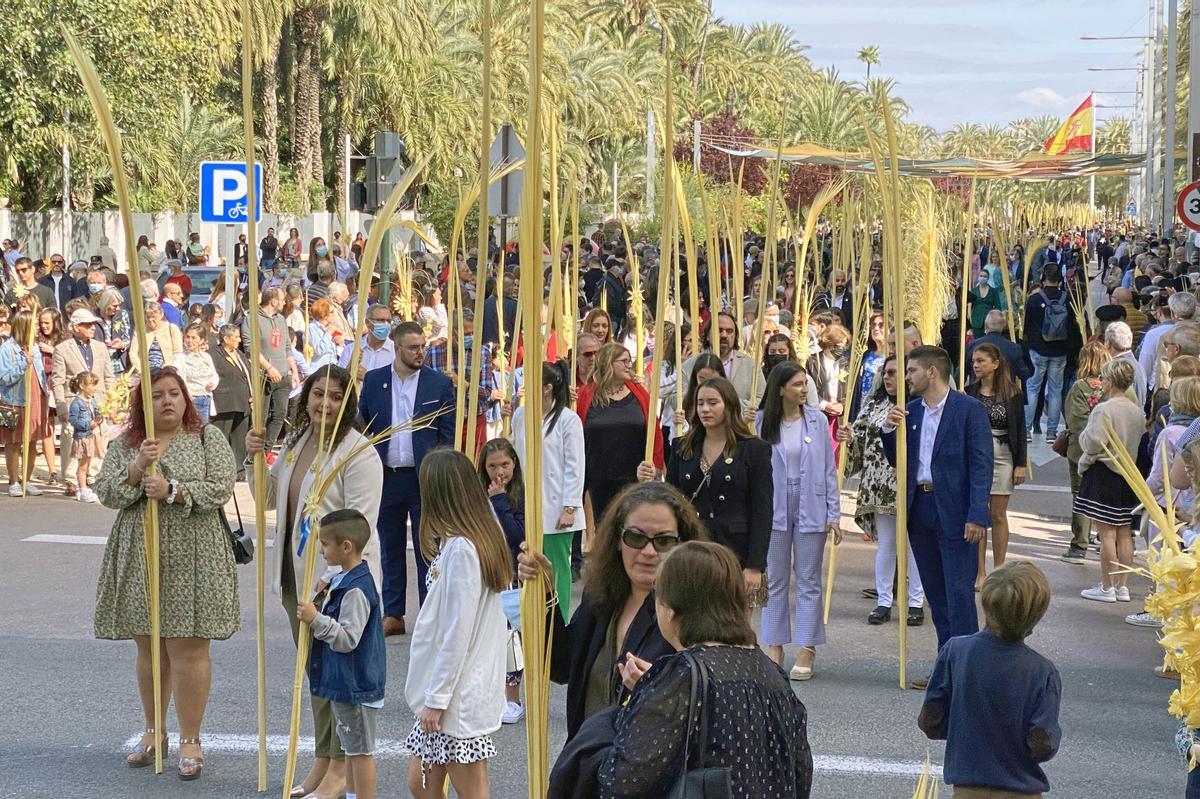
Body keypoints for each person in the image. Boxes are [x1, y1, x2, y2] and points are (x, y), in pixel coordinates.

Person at [554, 541, 813, 799]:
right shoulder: (772, 673)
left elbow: (621, 783)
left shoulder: (680, 677)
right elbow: (800, 773)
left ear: (671, 611)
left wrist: (625, 711)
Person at [93, 367, 238, 779]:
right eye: (157, 395)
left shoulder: (208, 437)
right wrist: (139, 467)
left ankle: (191, 737)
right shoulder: (127, 444)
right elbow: (108, 492)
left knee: (189, 646)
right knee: (150, 645)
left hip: (197, 552)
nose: (168, 401)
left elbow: (220, 486)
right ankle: (154, 730)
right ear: (144, 404)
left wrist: (174, 491)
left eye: (175, 393)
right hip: (142, 550)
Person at [246, 365, 383, 799]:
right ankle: (324, 758)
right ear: (306, 397)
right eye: (318, 393)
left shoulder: (358, 452)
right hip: (295, 578)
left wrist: (329, 585)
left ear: (349, 403)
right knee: (318, 675)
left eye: (335, 396)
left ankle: (340, 768)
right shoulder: (297, 441)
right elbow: (268, 499)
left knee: (340, 678)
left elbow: (360, 527)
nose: (325, 403)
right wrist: (257, 459)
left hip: (335, 585)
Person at [517, 481, 706, 740]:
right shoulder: (600, 598)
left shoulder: (694, 609)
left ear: (681, 544)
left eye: (663, 541)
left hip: (650, 772)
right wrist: (544, 593)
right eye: (636, 537)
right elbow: (561, 666)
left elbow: (709, 701)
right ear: (618, 540)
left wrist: (660, 690)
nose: (649, 551)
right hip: (589, 766)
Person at [404, 448, 511, 799]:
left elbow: (457, 632)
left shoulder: (465, 549)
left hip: (456, 694)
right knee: (422, 784)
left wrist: (437, 697)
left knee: (469, 788)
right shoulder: (464, 538)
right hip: (450, 688)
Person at [881, 346, 993, 674]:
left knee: (959, 593)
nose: (906, 377)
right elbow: (897, 460)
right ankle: (946, 664)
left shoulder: (968, 409)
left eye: (912, 370)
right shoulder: (910, 412)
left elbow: (981, 464)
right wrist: (889, 430)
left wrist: (977, 515)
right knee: (935, 593)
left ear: (931, 372)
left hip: (957, 511)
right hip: (921, 508)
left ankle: (967, 668)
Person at [919, 562, 1060, 798]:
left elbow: (931, 722)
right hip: (1021, 790)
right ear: (1036, 615)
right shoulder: (1042, 672)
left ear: (986, 603)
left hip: (967, 789)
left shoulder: (955, 652)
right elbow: (1042, 744)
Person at [358, 321, 456, 635]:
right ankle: (394, 613)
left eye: (423, 346)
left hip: (424, 477)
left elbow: (447, 434)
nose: (421, 353)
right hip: (387, 476)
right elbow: (364, 426)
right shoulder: (374, 381)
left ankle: (430, 611)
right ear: (397, 349)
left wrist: (443, 475)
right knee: (391, 545)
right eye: (414, 347)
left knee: (428, 545)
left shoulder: (438, 384)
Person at [642, 373, 771, 586]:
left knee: (730, 619)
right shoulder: (681, 447)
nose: (705, 409)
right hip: (690, 548)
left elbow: (762, 510)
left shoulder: (754, 450)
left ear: (728, 405)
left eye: (713, 403)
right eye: (700, 403)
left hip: (735, 551)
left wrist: (755, 565)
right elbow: (671, 501)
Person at [756, 362, 841, 680]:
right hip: (774, 506)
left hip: (811, 503)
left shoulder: (817, 420)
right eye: (797, 384)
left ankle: (808, 646)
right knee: (775, 579)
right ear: (780, 389)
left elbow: (827, 468)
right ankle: (774, 644)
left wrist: (834, 513)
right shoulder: (762, 421)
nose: (804, 389)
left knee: (808, 579)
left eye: (805, 383)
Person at [297, 509, 385, 799]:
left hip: (355, 684)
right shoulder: (343, 580)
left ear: (346, 546)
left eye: (325, 544)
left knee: (360, 753)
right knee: (350, 748)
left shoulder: (356, 589)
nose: (321, 550)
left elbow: (348, 638)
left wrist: (315, 619)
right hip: (346, 683)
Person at [843, 354, 925, 626]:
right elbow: (859, 444)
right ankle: (883, 601)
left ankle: (915, 602)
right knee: (887, 545)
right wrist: (849, 440)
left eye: (895, 373)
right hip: (879, 486)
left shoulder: (919, 406)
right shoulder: (871, 405)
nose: (889, 378)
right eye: (886, 373)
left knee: (914, 545)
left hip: (909, 484)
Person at [510, 359, 585, 617]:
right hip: (526, 504)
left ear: (547, 388)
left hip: (557, 509)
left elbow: (575, 466)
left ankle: (560, 618)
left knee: (555, 569)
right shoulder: (520, 415)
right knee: (528, 565)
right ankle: (531, 620)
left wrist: (570, 506)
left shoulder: (567, 420)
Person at [1074, 357, 1144, 604]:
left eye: (1104, 378)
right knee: (1125, 532)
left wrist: (1084, 446)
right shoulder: (1137, 410)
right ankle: (1122, 586)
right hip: (1128, 472)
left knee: (1106, 533)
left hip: (1104, 471)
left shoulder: (1104, 409)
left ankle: (1106, 586)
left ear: (1111, 380)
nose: (1101, 381)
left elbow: (1093, 441)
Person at [577, 342, 665, 526]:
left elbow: (654, 431)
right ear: (609, 363)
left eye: (629, 361)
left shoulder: (640, 394)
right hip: (599, 477)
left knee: (633, 526)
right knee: (606, 529)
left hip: (635, 475)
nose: (629, 365)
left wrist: (655, 466)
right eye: (624, 361)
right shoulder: (586, 395)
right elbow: (577, 430)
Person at [965, 343, 1028, 589]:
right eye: (974, 361)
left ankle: (999, 569)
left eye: (981, 361)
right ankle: (980, 572)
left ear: (995, 363)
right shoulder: (969, 392)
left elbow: (1020, 430)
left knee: (998, 514)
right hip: (976, 453)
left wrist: (1020, 464)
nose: (976, 365)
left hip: (1003, 452)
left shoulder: (1012, 393)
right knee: (978, 512)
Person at [477, 437, 527, 724]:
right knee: (486, 636)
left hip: (512, 575)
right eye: (493, 465)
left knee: (511, 639)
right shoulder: (478, 494)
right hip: (486, 572)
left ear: (515, 464)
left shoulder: (518, 495)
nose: (499, 472)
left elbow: (517, 535)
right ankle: (490, 694)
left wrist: (500, 501)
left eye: (505, 465)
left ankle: (513, 698)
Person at [1060, 342, 1114, 564]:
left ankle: (1079, 544)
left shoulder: (1080, 387)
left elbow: (1075, 420)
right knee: (1104, 496)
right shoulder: (1111, 388)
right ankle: (1105, 538)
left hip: (1081, 450)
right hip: (1109, 450)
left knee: (1080, 496)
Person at [1023, 266, 1080, 443]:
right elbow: (1074, 326)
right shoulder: (1067, 299)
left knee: (1033, 387)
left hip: (1038, 348)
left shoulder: (1034, 300)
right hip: (1060, 350)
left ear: (1042, 278)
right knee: (1055, 390)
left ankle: (1027, 429)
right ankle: (1051, 432)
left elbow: (1026, 324)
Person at [0, 310, 51, 495]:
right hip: (16, 400)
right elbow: (4, 377)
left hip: (36, 398)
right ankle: (13, 481)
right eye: (34, 325)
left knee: (32, 441)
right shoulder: (7, 349)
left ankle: (27, 480)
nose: (38, 328)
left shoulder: (35, 347)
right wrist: (23, 365)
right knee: (14, 442)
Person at [242, 287, 296, 454]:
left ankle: (266, 451)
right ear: (273, 301)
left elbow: (287, 347)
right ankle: (253, 454)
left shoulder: (281, 319)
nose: (284, 302)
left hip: (283, 375)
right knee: (260, 418)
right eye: (282, 299)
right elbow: (251, 349)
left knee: (280, 414)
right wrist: (269, 368)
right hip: (263, 377)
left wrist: (294, 371)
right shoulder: (252, 319)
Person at [680, 311, 765, 408]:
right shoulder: (690, 365)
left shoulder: (750, 365)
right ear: (707, 335)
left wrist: (731, 406)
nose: (724, 335)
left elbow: (761, 398)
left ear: (735, 336)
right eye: (719, 330)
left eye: (729, 331)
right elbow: (677, 400)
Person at [209, 324, 252, 478]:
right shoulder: (213, 354)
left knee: (239, 438)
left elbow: (247, 374)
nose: (239, 340)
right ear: (226, 339)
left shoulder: (239, 354)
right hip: (224, 402)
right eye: (236, 337)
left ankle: (239, 470)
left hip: (242, 401)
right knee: (221, 437)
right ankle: (219, 470)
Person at [34, 307, 65, 481]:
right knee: (48, 429)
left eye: (47, 323)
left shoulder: (65, 339)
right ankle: (52, 470)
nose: (44, 326)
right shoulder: (36, 340)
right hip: (44, 387)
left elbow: (68, 361)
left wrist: (53, 350)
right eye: (41, 323)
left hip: (61, 387)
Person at [965, 310, 1031, 385]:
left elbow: (963, 371)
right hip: (1005, 393)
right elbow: (1024, 375)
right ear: (1002, 327)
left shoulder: (973, 345)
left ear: (986, 325)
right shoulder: (1014, 348)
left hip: (977, 392)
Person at [172, 323, 219, 425]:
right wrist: (185, 392)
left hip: (205, 398)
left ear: (201, 340)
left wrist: (213, 383)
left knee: (204, 431)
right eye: (187, 337)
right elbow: (175, 376)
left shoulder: (206, 357)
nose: (190, 340)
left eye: (194, 338)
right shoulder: (180, 358)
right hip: (191, 399)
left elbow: (214, 375)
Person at [67, 371, 103, 503]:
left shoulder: (92, 400)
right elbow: (73, 420)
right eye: (92, 385)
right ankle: (82, 489)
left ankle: (84, 486)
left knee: (88, 463)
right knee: (82, 465)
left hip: (92, 436)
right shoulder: (76, 403)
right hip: (83, 437)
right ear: (82, 386)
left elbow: (97, 413)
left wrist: (100, 419)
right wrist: (88, 424)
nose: (95, 388)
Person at [338, 302, 395, 381]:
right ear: (367, 322)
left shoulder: (396, 352)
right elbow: (338, 382)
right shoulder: (350, 349)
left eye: (388, 321)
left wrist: (368, 377)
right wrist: (350, 368)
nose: (385, 324)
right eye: (380, 320)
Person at [94, 288, 131, 376]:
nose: (118, 308)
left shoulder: (122, 315)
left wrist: (122, 344)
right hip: (100, 363)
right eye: (114, 305)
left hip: (119, 363)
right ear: (105, 304)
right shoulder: (94, 317)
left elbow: (128, 339)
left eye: (119, 305)